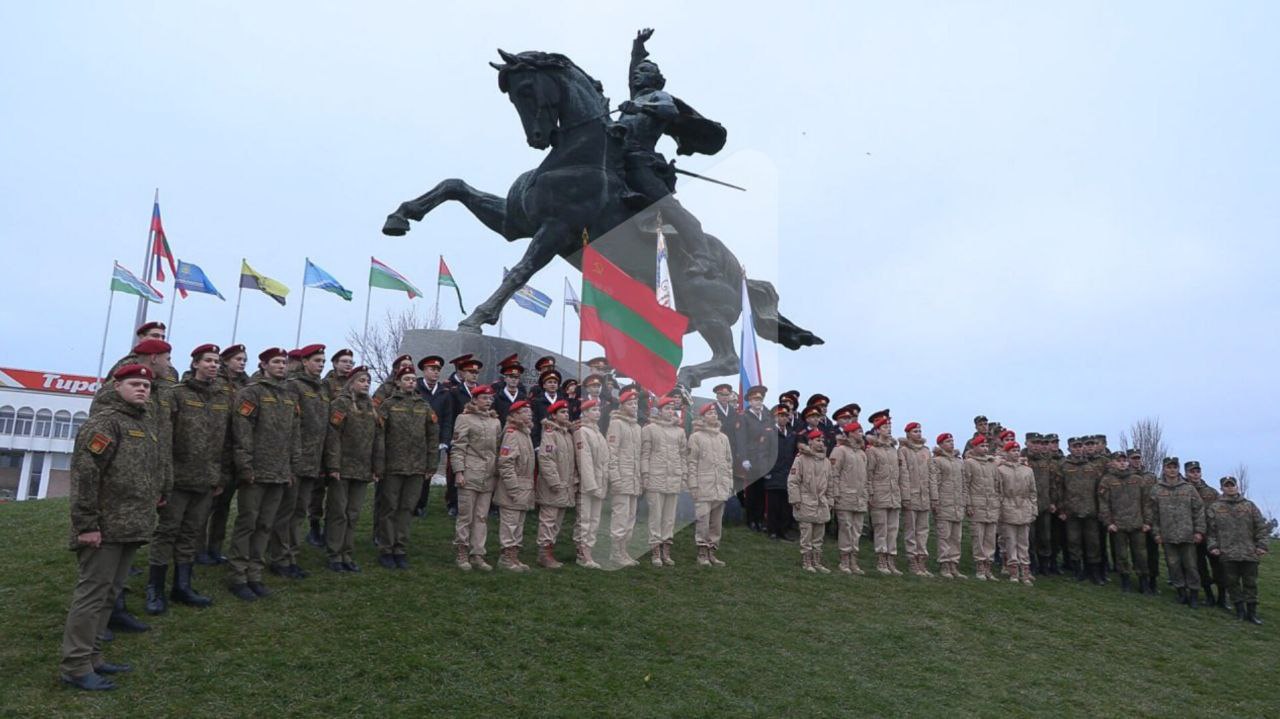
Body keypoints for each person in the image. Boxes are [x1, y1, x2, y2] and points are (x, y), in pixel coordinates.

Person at [58, 364, 164, 691]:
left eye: (146, 385)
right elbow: (85, 477)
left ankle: (93, 656)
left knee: (109, 595)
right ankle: (75, 665)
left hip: (130, 526)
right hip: (103, 528)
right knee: (91, 596)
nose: (142, 389)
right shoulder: (104, 423)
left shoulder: (143, 422)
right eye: (135, 383)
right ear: (117, 386)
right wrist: (86, 524)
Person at [148, 344, 228, 614]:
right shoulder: (177, 394)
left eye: (216, 361)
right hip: (178, 478)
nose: (213, 365)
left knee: (191, 533)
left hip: (206, 479)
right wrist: (163, 477)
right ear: (195, 364)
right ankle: (155, 589)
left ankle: (182, 586)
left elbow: (224, 440)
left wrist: (220, 475)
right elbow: (164, 437)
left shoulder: (222, 397)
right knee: (167, 532)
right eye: (208, 361)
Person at [227, 347, 301, 601]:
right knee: (248, 523)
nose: (281, 366)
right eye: (276, 362)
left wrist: (292, 467)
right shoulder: (252, 392)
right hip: (256, 472)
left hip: (279, 472)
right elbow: (242, 432)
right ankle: (238, 575)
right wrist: (245, 466)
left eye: (284, 362)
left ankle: (255, 574)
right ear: (263, 365)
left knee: (266, 525)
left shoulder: (289, 395)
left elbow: (294, 434)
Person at [271, 343, 326, 579]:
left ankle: (291, 555)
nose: (321, 365)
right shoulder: (293, 386)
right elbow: (289, 424)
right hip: (295, 460)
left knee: (300, 511)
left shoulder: (321, 389)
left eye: (322, 362)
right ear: (304, 362)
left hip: (312, 461)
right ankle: (279, 558)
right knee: (287, 511)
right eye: (317, 361)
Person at [376, 365, 440, 569]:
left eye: (413, 379)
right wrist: (379, 464)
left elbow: (433, 436)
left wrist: (431, 464)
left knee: (406, 508)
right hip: (393, 466)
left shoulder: (424, 406)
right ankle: (386, 548)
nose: (411, 382)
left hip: (416, 467)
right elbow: (379, 436)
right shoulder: (388, 405)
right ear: (398, 382)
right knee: (389, 508)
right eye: (406, 379)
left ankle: (400, 547)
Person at [322, 366, 383, 572]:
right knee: (338, 512)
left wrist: (376, 467)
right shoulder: (341, 403)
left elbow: (377, 439)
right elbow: (333, 436)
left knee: (353, 513)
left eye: (368, 381)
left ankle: (346, 553)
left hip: (362, 468)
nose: (366, 384)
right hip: (342, 467)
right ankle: (334, 554)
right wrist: (333, 465)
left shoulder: (371, 407)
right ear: (352, 383)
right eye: (361, 380)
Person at [197, 344, 249, 567]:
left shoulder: (247, 385)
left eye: (244, 359)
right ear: (226, 361)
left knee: (224, 506)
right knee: (205, 506)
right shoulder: (215, 383)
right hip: (215, 450)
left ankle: (215, 548)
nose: (242, 363)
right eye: (238, 359)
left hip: (234, 451)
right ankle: (198, 549)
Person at [450, 383, 500, 571]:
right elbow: (458, 447)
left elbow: (497, 448)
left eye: (490, 398)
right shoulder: (464, 419)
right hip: (470, 473)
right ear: (474, 399)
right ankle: (462, 551)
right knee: (466, 516)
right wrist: (459, 472)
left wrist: (496, 472)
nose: (488, 401)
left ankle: (478, 553)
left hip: (488, 475)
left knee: (481, 517)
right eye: (484, 398)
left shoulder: (495, 422)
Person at [1206, 476, 1268, 624]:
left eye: (1232, 485)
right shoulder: (1215, 508)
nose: (1230, 488)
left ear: (1237, 487)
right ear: (1222, 488)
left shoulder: (1249, 506)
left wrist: (1262, 545)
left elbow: (1260, 527)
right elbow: (1211, 531)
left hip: (1249, 553)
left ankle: (1252, 613)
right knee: (1232, 583)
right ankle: (1239, 610)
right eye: (1226, 486)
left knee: (1250, 584)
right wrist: (1213, 546)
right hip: (1227, 553)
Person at [1147, 457, 1206, 607]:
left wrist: (1199, 531)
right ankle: (1181, 592)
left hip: (1188, 535)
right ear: (1164, 469)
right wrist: (1156, 533)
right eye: (1169, 467)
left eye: (1174, 467)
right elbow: (1153, 514)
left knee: (1191, 566)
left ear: (1178, 469)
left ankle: (1194, 594)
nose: (1172, 470)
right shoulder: (1156, 489)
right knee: (1173, 566)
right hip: (1167, 535)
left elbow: (1199, 510)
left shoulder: (1188, 488)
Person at [1096, 451, 1151, 594]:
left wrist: (1147, 522)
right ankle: (1125, 580)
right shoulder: (1106, 480)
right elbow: (1103, 504)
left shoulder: (1137, 479)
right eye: (1118, 460)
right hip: (1118, 525)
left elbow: (1146, 502)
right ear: (1112, 463)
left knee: (1141, 555)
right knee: (1121, 555)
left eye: (1124, 460)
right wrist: (1108, 523)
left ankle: (1143, 581)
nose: (1122, 463)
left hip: (1137, 524)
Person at [687, 403, 733, 567]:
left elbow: (728, 463)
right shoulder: (696, 437)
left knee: (716, 523)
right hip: (703, 485)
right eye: (709, 413)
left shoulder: (723, 438)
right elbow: (691, 463)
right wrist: (693, 485)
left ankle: (712, 552)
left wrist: (729, 484)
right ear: (703, 417)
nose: (713, 415)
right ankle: (702, 553)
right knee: (703, 521)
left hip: (720, 486)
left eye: (714, 413)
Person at [641, 396, 685, 567]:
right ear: (659, 411)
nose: (670, 411)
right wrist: (645, 475)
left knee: (669, 518)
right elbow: (645, 454)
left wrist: (683, 476)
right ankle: (655, 550)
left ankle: (666, 550)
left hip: (674, 478)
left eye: (672, 408)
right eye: (667, 408)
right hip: (655, 477)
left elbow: (683, 456)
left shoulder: (680, 431)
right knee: (656, 516)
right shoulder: (650, 429)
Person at [1058, 435, 1106, 584]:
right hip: (1071, 511)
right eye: (1075, 447)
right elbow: (1059, 489)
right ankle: (1077, 571)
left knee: (1093, 543)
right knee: (1074, 542)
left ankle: (1094, 572)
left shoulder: (1091, 467)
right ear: (1069, 449)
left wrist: (1100, 510)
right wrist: (1061, 509)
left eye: (1080, 446)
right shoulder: (1064, 466)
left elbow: (1100, 490)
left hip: (1090, 511)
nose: (1078, 449)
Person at [535, 400, 577, 569]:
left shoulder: (566, 434)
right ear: (553, 415)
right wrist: (554, 482)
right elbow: (546, 460)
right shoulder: (550, 434)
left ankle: (549, 552)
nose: (566, 415)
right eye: (562, 412)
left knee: (557, 521)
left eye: (567, 412)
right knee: (548, 520)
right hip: (552, 486)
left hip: (564, 485)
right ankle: (543, 554)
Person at [495, 401, 535, 571]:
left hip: (524, 486)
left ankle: (514, 556)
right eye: (524, 411)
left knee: (519, 524)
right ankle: (506, 558)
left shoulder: (525, 433)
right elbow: (506, 463)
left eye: (529, 411)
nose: (529, 414)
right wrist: (513, 488)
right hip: (514, 486)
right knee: (510, 523)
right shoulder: (512, 434)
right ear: (515, 415)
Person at [606, 389, 644, 567]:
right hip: (621, 477)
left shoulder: (637, 427)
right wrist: (615, 477)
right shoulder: (616, 424)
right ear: (622, 406)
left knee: (630, 518)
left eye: (635, 403)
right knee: (620, 517)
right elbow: (611, 452)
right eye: (630, 403)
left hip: (634, 479)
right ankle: (615, 552)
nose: (634, 406)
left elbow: (639, 455)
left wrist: (640, 478)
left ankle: (623, 550)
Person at [788, 429, 833, 573]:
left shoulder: (826, 462)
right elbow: (793, 481)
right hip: (806, 501)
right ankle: (806, 561)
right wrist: (795, 499)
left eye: (822, 440)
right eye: (818, 440)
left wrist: (830, 500)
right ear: (810, 442)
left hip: (821, 503)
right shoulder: (801, 459)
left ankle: (817, 561)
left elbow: (830, 483)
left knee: (819, 536)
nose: (821, 443)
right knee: (806, 534)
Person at [413, 355, 452, 517]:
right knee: (413, 472)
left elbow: (447, 419)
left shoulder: (444, 392)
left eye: (437, 370)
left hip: (433, 440)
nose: (435, 372)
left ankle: (421, 505)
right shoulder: (415, 388)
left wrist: (444, 440)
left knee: (427, 474)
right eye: (432, 369)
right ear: (424, 370)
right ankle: (409, 504)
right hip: (415, 438)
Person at [1184, 460, 1226, 609]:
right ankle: (1209, 596)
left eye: (1197, 471)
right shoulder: (1183, 491)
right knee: (1200, 568)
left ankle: (1222, 598)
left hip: (1211, 537)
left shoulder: (1211, 492)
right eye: (1192, 472)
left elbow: (1221, 510)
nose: (1195, 474)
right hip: (1192, 536)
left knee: (1219, 568)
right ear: (1186, 474)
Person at [573, 399, 609, 568]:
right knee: (585, 518)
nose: (597, 412)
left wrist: (604, 481)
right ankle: (582, 553)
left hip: (599, 482)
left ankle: (589, 549)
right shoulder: (583, 432)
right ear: (585, 413)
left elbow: (605, 460)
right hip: (588, 484)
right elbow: (584, 460)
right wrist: (591, 484)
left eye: (598, 409)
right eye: (593, 410)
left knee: (595, 519)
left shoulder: (598, 433)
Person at [865, 412, 902, 575]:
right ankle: (881, 559)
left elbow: (899, 473)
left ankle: (891, 559)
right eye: (885, 427)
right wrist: (870, 493)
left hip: (894, 494)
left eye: (890, 426)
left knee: (893, 529)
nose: (889, 429)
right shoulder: (873, 450)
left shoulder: (894, 450)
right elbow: (869, 474)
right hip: (879, 494)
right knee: (881, 528)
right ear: (878, 430)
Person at [829, 422, 869, 575]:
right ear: (850, 433)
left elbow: (866, 477)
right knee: (846, 528)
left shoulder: (862, 453)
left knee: (857, 530)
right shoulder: (840, 450)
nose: (861, 434)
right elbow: (834, 474)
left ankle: (853, 560)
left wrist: (866, 493)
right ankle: (844, 560)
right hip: (845, 496)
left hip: (860, 498)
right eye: (858, 431)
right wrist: (835, 494)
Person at [996, 441, 1037, 585]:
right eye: (1012, 450)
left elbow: (1032, 492)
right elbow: (998, 492)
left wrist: (1033, 509)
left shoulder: (1027, 470)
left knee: (1024, 543)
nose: (1016, 453)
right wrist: (1000, 509)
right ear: (1006, 453)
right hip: (1008, 508)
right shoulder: (1001, 470)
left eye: (1017, 450)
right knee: (1010, 541)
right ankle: (1013, 570)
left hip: (1024, 508)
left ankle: (1025, 571)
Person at [929, 433, 968, 579]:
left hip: (957, 504)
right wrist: (935, 500)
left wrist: (964, 500)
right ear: (940, 445)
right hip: (944, 502)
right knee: (944, 536)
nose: (951, 443)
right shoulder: (937, 461)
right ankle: (945, 563)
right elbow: (934, 481)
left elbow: (964, 483)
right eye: (947, 441)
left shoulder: (959, 462)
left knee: (956, 537)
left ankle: (954, 563)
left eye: (952, 441)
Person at [897, 421, 933, 577]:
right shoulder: (903, 451)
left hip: (924, 496)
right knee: (911, 530)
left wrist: (933, 497)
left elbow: (932, 475)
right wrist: (905, 496)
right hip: (911, 495)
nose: (918, 434)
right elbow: (903, 475)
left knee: (923, 530)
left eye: (919, 431)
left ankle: (921, 559)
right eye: (915, 431)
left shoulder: (926, 451)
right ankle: (912, 559)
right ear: (908, 434)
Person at [963, 436, 1000, 581]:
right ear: (974, 447)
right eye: (982, 446)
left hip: (991, 505)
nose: (985, 448)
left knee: (990, 538)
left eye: (986, 446)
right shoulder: (969, 463)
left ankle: (988, 566)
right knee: (978, 536)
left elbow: (997, 485)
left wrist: (997, 502)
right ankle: (980, 566)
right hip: (977, 504)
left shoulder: (992, 464)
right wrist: (968, 504)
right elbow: (966, 485)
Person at [1026, 433, 1063, 575]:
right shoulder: (1023, 459)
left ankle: (1045, 565)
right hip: (1029, 505)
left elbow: (1053, 483)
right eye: (1034, 443)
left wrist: (1053, 501)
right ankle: (1031, 564)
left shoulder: (1047, 462)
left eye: (1039, 443)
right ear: (1027, 443)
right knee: (1030, 537)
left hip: (1045, 505)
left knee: (1045, 537)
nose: (1037, 446)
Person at [738, 386, 773, 533]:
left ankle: (760, 519)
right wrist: (744, 459)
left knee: (762, 491)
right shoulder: (744, 416)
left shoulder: (767, 416)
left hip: (764, 458)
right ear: (750, 401)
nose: (758, 402)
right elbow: (741, 439)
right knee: (752, 491)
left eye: (760, 399)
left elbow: (771, 439)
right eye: (755, 399)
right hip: (751, 458)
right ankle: (751, 520)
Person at [763, 404, 798, 541]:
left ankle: (783, 530)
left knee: (786, 506)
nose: (783, 418)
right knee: (773, 505)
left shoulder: (792, 434)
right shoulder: (768, 432)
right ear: (775, 418)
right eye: (780, 416)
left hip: (787, 473)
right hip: (773, 473)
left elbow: (794, 453)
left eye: (785, 416)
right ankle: (772, 530)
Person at [491, 354, 527, 425]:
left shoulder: (523, 398)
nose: (514, 380)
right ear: (505, 378)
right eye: (511, 377)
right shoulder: (497, 397)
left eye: (516, 377)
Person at [531, 369, 562, 447]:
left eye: (555, 382)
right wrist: (536, 445)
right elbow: (535, 424)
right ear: (544, 385)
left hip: (560, 439)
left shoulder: (562, 401)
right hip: (543, 439)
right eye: (550, 382)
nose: (553, 384)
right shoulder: (537, 401)